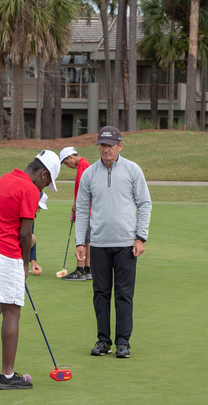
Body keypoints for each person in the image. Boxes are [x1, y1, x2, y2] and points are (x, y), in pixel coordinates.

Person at [0, 150, 60, 389]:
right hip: (3, 252)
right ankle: (7, 376)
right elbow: (25, 234)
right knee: (12, 312)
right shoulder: (30, 189)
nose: (45, 187)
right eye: (48, 182)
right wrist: (24, 264)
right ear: (43, 174)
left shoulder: (5, 178)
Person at [75, 126, 152, 358]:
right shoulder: (89, 173)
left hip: (127, 244)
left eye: (109, 145)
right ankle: (103, 340)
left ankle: (123, 342)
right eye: (101, 145)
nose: (105, 149)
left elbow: (145, 204)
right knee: (100, 293)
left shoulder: (132, 170)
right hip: (98, 244)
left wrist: (141, 237)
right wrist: (81, 241)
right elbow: (81, 209)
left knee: (123, 293)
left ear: (120, 146)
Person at [59, 146, 91, 281]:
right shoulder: (84, 165)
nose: (67, 166)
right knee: (88, 241)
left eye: (66, 163)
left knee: (82, 240)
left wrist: (76, 208)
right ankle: (88, 270)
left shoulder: (83, 165)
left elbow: (82, 191)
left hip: (85, 210)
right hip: (88, 210)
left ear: (71, 157)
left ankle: (80, 271)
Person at [30, 191, 48, 274]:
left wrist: (33, 262)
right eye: (39, 206)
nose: (38, 210)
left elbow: (30, 236)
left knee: (31, 238)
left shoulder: (31, 216)